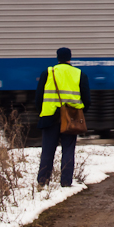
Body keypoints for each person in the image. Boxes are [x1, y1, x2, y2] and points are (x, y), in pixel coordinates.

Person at [35, 47, 90, 190]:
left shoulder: (48, 73)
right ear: (69, 58)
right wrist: (79, 114)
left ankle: (42, 181)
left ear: (57, 58)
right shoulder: (79, 74)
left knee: (47, 150)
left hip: (49, 117)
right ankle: (66, 182)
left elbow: (38, 98)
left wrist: (42, 112)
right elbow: (87, 100)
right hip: (70, 119)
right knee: (68, 150)